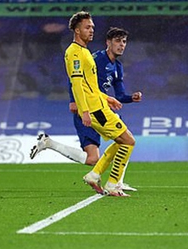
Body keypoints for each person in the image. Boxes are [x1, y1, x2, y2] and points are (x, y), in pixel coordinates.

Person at [30, 27, 142, 192]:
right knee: (106, 151)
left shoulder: (117, 67)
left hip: (102, 107)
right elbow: (75, 77)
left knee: (120, 142)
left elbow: (120, 95)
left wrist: (132, 98)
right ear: (108, 43)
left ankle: (113, 181)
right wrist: (73, 101)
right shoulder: (95, 58)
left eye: (124, 41)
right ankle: (111, 182)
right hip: (87, 109)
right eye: (118, 41)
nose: (121, 45)